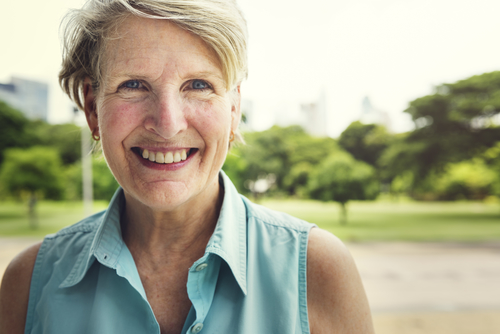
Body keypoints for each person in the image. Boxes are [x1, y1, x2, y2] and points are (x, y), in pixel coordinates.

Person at [0, 0, 374, 333]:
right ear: (93, 108)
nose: (168, 123)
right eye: (134, 84)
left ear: (233, 109)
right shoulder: (29, 283)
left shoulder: (316, 269)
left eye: (198, 84)